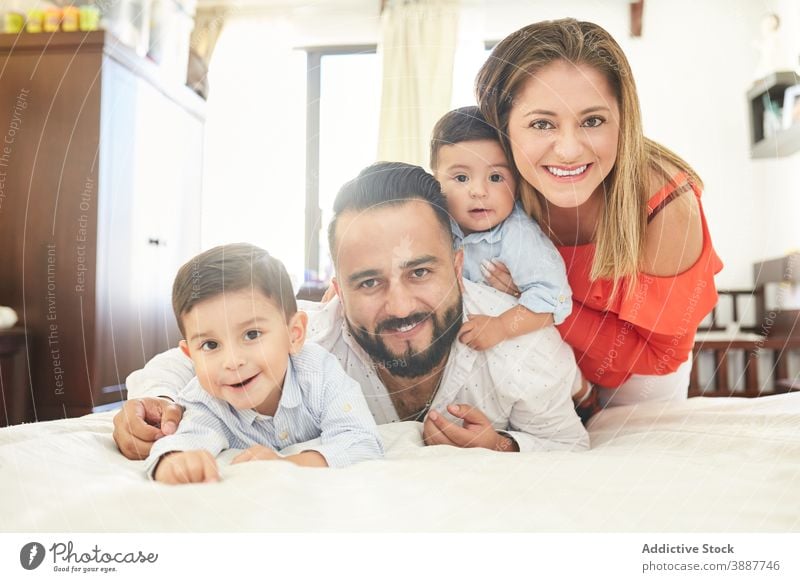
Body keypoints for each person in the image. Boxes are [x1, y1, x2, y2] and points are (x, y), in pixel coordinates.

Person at [113, 163, 589, 459]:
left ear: (459, 266)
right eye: (369, 282)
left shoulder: (524, 350)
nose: (400, 306)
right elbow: (183, 362)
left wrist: (502, 446)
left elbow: (571, 448)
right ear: (338, 290)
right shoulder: (311, 339)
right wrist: (156, 404)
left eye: (420, 273)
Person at [474, 19, 723, 413]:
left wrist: (536, 302)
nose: (570, 150)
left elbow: (657, 357)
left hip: (636, 385)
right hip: (544, 366)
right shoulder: (492, 185)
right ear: (503, 126)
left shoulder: (665, 207)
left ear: (622, 120)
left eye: (593, 121)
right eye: (542, 124)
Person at [145, 243, 383, 484]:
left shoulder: (318, 372)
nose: (232, 362)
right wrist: (174, 461)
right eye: (210, 345)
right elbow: (183, 440)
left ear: (294, 334)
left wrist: (287, 465)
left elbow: (361, 440)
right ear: (190, 355)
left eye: (252, 335)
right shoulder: (207, 400)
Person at [430, 105, 572, 351]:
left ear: (517, 183)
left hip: (513, 343)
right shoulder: (433, 223)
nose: (478, 191)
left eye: (496, 177)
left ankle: (579, 388)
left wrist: (502, 327)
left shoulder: (518, 235)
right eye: (461, 178)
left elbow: (554, 300)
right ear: (435, 182)